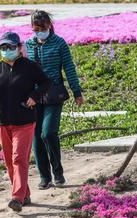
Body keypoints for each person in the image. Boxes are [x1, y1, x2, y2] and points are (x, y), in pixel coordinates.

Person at [0, 31, 51, 213]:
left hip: (24, 121)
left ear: (19, 48)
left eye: (10, 47)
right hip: (2, 122)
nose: (6, 50)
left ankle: (16, 197)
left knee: (19, 158)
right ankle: (24, 194)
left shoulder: (29, 66)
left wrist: (35, 96)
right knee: (10, 161)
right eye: (3, 47)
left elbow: (45, 83)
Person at [25, 10, 84, 190]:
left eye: (42, 28)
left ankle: (58, 172)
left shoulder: (59, 44)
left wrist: (77, 91)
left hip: (53, 95)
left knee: (48, 133)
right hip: (34, 98)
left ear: (49, 25)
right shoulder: (28, 44)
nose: (39, 31)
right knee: (36, 136)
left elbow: (69, 68)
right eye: (36, 29)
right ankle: (44, 176)